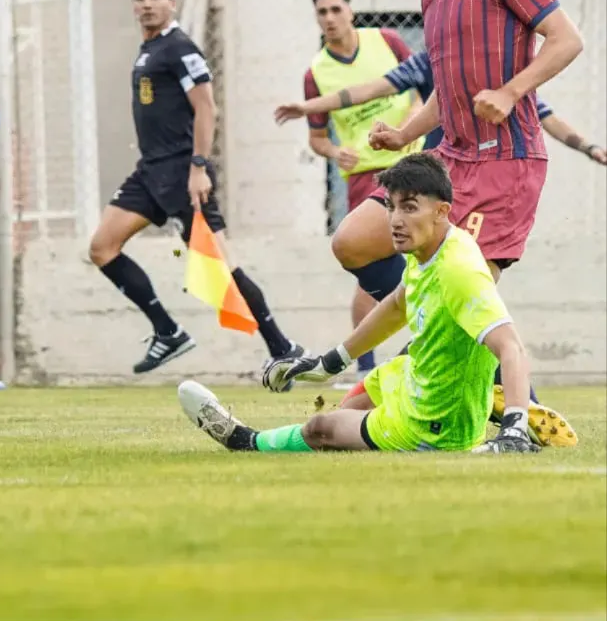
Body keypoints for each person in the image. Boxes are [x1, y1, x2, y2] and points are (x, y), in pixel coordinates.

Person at [327, 0, 584, 446]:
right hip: (448, 158)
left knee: (449, 312)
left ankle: (515, 410)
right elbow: (448, 89)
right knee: (351, 240)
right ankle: (462, 346)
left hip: (505, 163)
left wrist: (513, 91)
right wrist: (407, 134)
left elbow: (567, 38)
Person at [178, 153, 541, 456]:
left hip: (435, 424)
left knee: (323, 428)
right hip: (417, 377)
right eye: (391, 206)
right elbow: (398, 304)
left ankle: (248, 443)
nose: (395, 220)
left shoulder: (458, 269)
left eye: (409, 207)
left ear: (442, 211)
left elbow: (510, 346)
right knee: (374, 384)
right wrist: (329, 362)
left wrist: (514, 430)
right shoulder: (428, 247)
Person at [88, 0, 306, 374]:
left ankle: (282, 347)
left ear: (171, 2)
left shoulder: (180, 48)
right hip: (149, 173)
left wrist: (199, 167)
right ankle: (167, 332)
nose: (147, 3)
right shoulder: (148, 49)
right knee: (102, 246)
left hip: (183, 173)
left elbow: (207, 107)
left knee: (220, 265)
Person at [283, 0, 424, 385]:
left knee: (427, 257)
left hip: (412, 162)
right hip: (367, 177)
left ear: (350, 11)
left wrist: (410, 123)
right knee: (369, 263)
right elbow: (317, 138)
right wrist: (333, 152)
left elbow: (422, 89)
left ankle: (426, 344)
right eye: (321, 13)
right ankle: (365, 366)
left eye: (335, 9)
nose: (329, 18)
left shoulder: (388, 41)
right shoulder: (316, 74)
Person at [277, 49, 607, 164]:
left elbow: (546, 116)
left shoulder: (500, 73)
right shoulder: (427, 62)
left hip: (487, 172)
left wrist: (589, 147)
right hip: (436, 171)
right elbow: (369, 90)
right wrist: (308, 107)